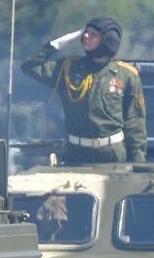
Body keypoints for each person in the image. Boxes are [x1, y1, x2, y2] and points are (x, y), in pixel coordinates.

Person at [21, 16, 147, 164]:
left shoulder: (126, 75)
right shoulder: (68, 69)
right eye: (85, 33)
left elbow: (135, 123)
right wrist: (58, 43)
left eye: (93, 34)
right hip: (77, 153)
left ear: (107, 41)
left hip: (112, 153)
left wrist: (137, 163)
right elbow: (29, 66)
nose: (86, 36)